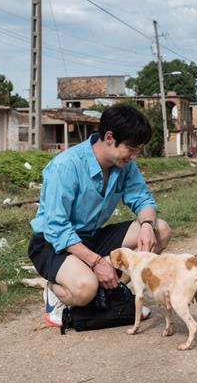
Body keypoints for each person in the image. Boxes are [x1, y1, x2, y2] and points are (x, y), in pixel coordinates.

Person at [28, 104, 172, 328]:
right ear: (108, 137)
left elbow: (143, 201)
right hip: (54, 243)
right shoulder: (66, 165)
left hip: (91, 237)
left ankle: (117, 290)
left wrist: (145, 224)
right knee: (85, 288)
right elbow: (56, 227)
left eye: (138, 150)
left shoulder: (124, 165)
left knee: (159, 229)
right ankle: (55, 291)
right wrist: (96, 262)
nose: (134, 156)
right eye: (131, 148)